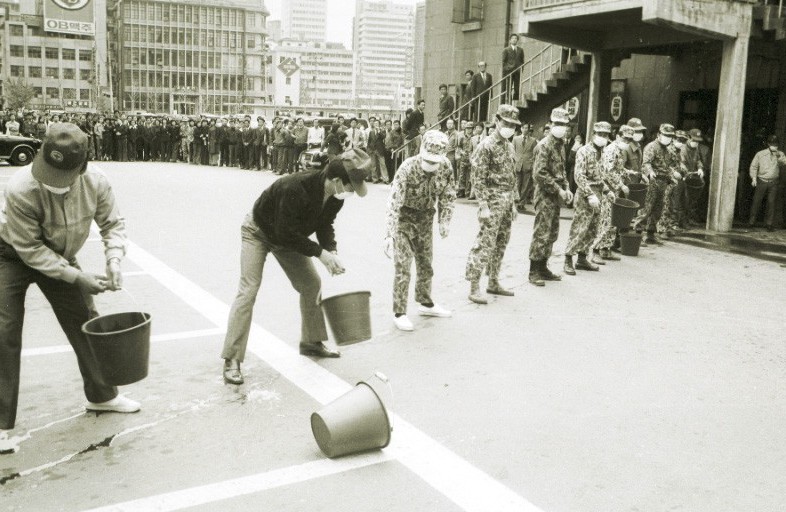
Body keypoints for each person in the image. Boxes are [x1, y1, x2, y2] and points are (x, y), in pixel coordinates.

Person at [0, 124, 138, 453]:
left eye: (61, 177)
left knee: (85, 320)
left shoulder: (97, 182)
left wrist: (114, 260)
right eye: (48, 172)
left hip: (60, 254)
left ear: (82, 167)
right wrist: (78, 278)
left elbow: (112, 224)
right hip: (10, 254)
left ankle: (102, 396)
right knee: (4, 330)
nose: (51, 183)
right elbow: (30, 250)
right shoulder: (20, 187)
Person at [220, 149, 374, 384]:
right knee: (248, 290)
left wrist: (331, 250)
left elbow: (325, 224)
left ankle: (311, 342)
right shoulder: (295, 188)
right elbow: (285, 233)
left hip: (288, 236)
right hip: (258, 231)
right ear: (335, 181)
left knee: (312, 284)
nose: (352, 191)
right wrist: (320, 254)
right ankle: (231, 358)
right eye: (351, 185)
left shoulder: (335, 197)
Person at [384, 131, 456, 331]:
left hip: (425, 219)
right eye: (428, 161)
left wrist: (444, 221)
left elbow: (448, 196)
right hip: (404, 221)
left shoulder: (446, 167)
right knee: (403, 267)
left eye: (435, 162)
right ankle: (399, 313)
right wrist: (389, 234)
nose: (431, 166)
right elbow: (394, 202)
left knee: (425, 264)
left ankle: (425, 303)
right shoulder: (407, 167)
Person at [464, 105, 520, 304]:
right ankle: (474, 285)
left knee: (501, 242)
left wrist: (513, 203)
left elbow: (511, 177)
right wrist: (483, 205)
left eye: (514, 125)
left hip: (505, 202)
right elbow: (477, 178)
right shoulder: (485, 145)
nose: (510, 127)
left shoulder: (509, 145)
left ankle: (493, 281)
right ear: (497, 121)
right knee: (485, 243)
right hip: (491, 201)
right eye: (507, 123)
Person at [529, 108, 574, 286]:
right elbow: (539, 174)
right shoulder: (544, 145)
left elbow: (561, 170)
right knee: (541, 232)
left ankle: (543, 266)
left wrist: (567, 187)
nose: (562, 127)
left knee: (552, 231)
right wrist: (558, 189)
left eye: (564, 124)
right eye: (558, 124)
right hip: (545, 194)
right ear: (551, 124)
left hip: (556, 195)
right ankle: (533, 270)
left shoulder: (560, 145)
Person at [564, 122, 612, 276]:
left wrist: (607, 190)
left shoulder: (603, 153)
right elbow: (579, 175)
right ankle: (568, 258)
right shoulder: (583, 151)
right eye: (600, 134)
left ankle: (582, 258)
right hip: (586, 195)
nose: (603, 137)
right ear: (593, 134)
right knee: (580, 228)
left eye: (606, 135)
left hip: (599, 194)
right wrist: (589, 194)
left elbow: (600, 177)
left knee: (592, 229)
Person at [632, 124, 681, 246]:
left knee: (658, 209)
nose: (668, 138)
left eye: (670, 136)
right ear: (659, 135)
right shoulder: (651, 147)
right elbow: (646, 163)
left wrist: (672, 174)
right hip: (652, 181)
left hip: (663, 182)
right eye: (666, 135)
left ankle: (650, 234)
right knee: (646, 209)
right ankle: (637, 234)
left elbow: (668, 166)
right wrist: (651, 172)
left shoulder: (668, 150)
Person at [594, 125, 632, 262]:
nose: (627, 142)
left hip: (614, 190)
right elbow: (609, 171)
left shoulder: (620, 151)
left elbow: (618, 168)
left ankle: (606, 248)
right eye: (625, 138)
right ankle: (598, 249)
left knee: (612, 220)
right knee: (606, 219)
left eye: (629, 140)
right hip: (607, 189)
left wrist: (628, 173)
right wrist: (621, 185)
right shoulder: (611, 150)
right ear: (617, 136)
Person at [748, 134, 786, 231]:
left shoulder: (780, 154)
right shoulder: (760, 154)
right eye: (773, 144)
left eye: (776, 144)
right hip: (761, 180)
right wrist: (754, 178)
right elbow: (754, 166)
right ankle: (751, 222)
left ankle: (769, 224)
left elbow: (784, 163)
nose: (774, 146)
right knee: (756, 201)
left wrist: (778, 157)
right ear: (768, 144)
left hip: (773, 182)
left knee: (771, 202)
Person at [682, 128, 706, 226]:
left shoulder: (696, 148)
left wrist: (700, 168)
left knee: (692, 199)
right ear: (688, 138)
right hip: (684, 176)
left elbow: (698, 160)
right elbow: (681, 163)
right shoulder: (683, 149)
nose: (696, 143)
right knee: (683, 200)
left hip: (692, 176)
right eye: (694, 140)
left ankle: (688, 219)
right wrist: (686, 172)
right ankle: (682, 221)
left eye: (697, 141)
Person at [513, 123, 538, 211]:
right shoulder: (515, 139)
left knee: (526, 185)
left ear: (529, 129)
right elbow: (513, 151)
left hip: (528, 165)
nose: (525, 129)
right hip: (518, 164)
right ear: (521, 129)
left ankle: (521, 203)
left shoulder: (533, 140)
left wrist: (532, 163)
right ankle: (516, 201)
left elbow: (535, 153)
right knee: (517, 184)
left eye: (527, 128)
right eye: (523, 128)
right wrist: (514, 161)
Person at [501, 34, 524, 102]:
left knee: (517, 87)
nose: (514, 39)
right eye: (513, 38)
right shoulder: (506, 50)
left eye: (516, 38)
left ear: (517, 40)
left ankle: (516, 99)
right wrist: (507, 69)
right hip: (509, 71)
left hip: (517, 70)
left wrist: (521, 69)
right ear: (510, 40)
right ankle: (509, 99)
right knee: (509, 86)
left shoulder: (520, 50)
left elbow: (522, 60)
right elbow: (504, 62)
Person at [367, 119, 389, 184]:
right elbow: (369, 141)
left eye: (377, 123)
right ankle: (375, 179)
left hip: (380, 150)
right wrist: (369, 149)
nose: (376, 124)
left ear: (379, 124)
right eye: (375, 123)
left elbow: (383, 137)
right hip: (372, 150)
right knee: (373, 165)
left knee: (383, 164)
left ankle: (385, 179)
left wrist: (379, 131)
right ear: (373, 124)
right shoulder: (371, 132)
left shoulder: (382, 131)